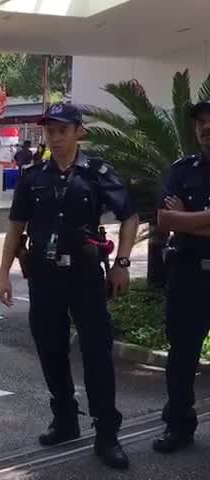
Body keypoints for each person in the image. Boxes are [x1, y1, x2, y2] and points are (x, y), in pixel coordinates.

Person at [0, 103, 139, 470]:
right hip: (44, 278)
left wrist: (122, 264)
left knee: (96, 355)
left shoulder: (97, 172)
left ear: (79, 132)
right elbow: (16, 226)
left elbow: (129, 216)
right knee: (50, 351)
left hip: (86, 279)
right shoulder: (33, 176)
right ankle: (65, 420)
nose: (55, 138)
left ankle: (107, 434)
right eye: (50, 131)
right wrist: (3, 273)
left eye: (62, 130)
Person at [154, 99, 210, 453]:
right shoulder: (181, 170)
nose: (206, 128)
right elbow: (163, 220)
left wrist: (187, 220)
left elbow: (177, 221)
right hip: (188, 277)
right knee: (181, 357)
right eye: (201, 123)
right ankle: (179, 427)